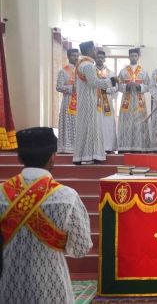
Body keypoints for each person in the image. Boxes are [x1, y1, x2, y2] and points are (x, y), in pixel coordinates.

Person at [0, 127, 92, 303]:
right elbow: (80, 248)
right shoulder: (67, 196)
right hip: (51, 287)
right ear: (53, 158)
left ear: (19, 157)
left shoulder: (1, 194)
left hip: (8, 286)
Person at [73, 41, 115, 165]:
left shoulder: (81, 63)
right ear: (90, 50)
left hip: (85, 99)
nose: (96, 52)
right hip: (89, 99)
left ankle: (82, 156)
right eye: (94, 50)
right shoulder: (88, 65)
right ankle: (88, 156)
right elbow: (93, 82)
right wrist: (110, 81)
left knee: (85, 127)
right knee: (90, 127)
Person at [117, 48, 151, 152]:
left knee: (139, 123)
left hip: (139, 101)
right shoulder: (122, 71)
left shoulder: (144, 72)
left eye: (135, 56)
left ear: (138, 57)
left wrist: (139, 86)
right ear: (129, 57)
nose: (133, 57)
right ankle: (125, 147)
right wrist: (126, 86)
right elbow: (118, 86)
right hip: (127, 101)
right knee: (126, 123)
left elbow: (149, 86)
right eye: (131, 56)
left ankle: (140, 147)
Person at [56, 48, 79, 154]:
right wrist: (71, 88)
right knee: (68, 123)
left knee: (78, 123)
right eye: (74, 55)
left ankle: (78, 146)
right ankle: (67, 147)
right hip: (68, 100)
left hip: (79, 101)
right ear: (68, 57)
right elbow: (59, 87)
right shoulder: (63, 71)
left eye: (77, 55)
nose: (76, 57)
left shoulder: (81, 71)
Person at [95, 50, 118, 153]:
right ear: (95, 58)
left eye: (101, 57)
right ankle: (96, 147)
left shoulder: (110, 73)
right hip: (95, 101)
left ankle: (108, 147)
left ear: (104, 59)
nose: (100, 59)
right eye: (98, 57)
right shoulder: (91, 71)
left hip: (107, 101)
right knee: (96, 123)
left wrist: (105, 90)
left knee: (107, 124)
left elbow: (116, 87)